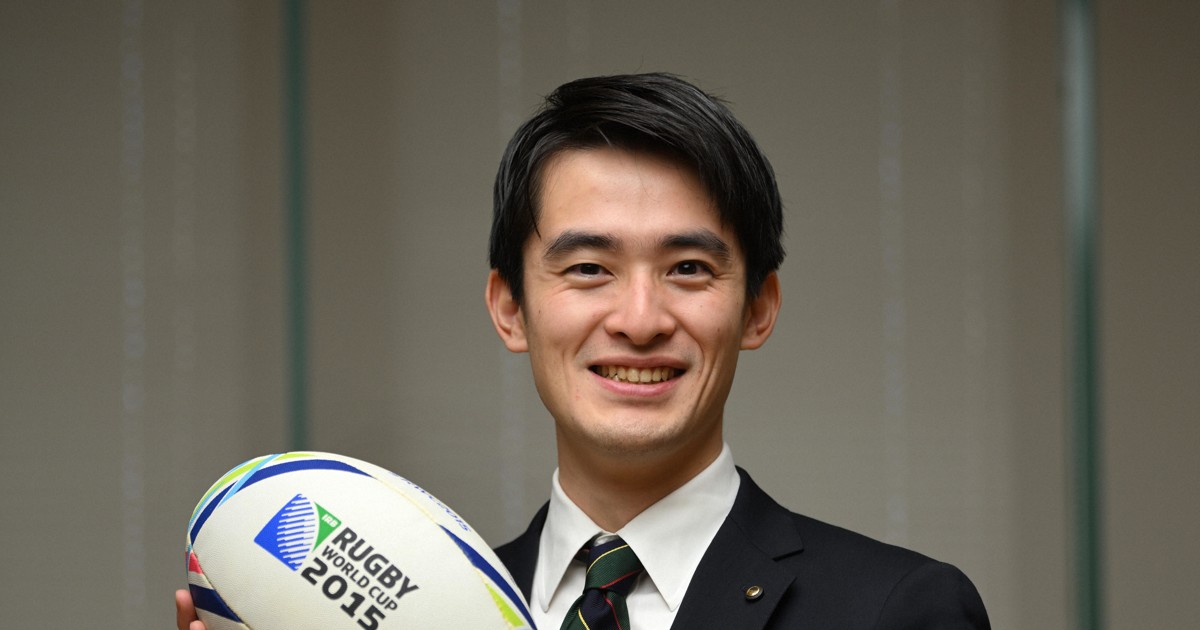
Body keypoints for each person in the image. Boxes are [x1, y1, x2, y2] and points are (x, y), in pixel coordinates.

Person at [177, 73, 990, 629]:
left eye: (688, 268)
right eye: (589, 269)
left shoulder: (894, 609)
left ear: (759, 307)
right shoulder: (423, 610)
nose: (640, 319)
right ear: (510, 309)